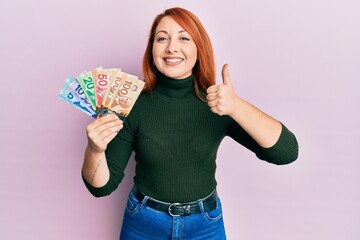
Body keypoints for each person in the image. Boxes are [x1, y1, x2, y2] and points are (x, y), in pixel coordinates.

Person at [81, 7, 299, 240]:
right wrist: (95, 150)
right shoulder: (131, 103)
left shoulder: (219, 102)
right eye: (162, 38)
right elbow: (101, 187)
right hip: (144, 223)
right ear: (152, 49)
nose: (171, 47)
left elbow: (286, 153)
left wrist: (237, 107)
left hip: (204, 225)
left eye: (183, 38)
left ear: (199, 49)